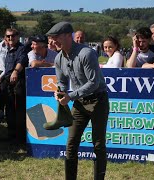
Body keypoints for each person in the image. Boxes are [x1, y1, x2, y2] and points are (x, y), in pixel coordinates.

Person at [46, 22, 109, 180]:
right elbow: (61, 82)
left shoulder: (86, 53)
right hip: (80, 103)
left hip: (98, 101)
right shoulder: (59, 58)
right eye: (51, 39)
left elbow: (93, 83)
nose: (53, 42)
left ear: (69, 35)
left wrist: (71, 96)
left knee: (98, 145)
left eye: (56, 38)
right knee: (71, 144)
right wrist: (60, 92)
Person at [0, 28, 28, 143]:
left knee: (19, 110)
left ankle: (20, 137)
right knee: (9, 109)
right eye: (8, 36)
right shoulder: (7, 49)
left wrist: (15, 72)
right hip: (7, 82)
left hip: (18, 83)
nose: (10, 38)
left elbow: (21, 61)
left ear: (17, 36)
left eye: (13, 36)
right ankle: (11, 134)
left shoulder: (22, 48)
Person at [0, 37, 9, 120]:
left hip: (9, 72)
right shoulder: (1, 45)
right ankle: (1, 111)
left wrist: (1, 76)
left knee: (10, 94)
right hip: (1, 71)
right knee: (2, 92)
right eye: (6, 37)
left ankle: (9, 113)